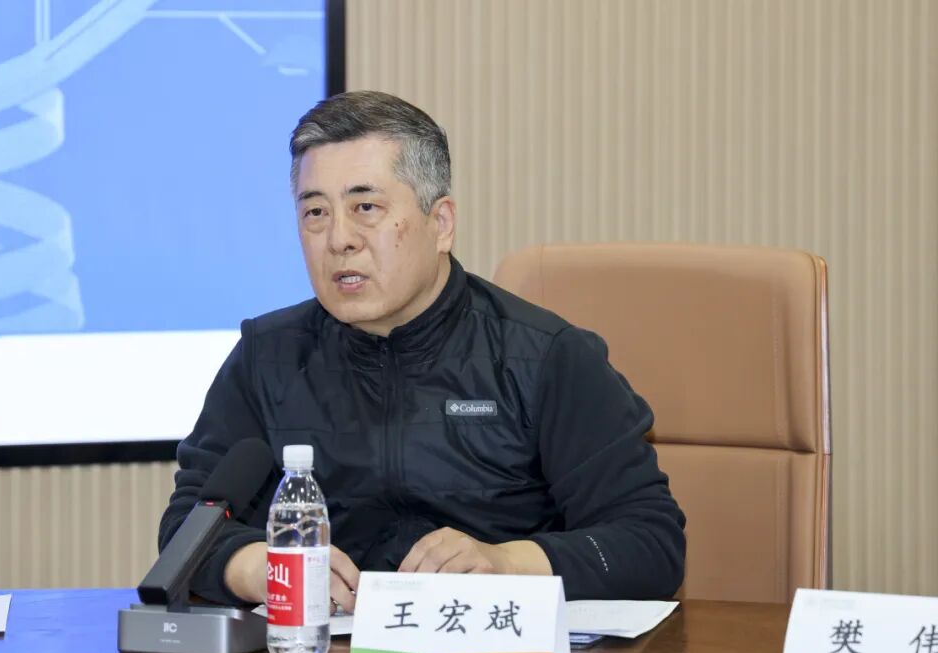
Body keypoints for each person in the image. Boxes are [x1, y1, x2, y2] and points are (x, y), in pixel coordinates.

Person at [158, 90, 685, 612]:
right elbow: (188, 529)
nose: (338, 238)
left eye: (366, 207)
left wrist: (507, 563)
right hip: (322, 652)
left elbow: (650, 543)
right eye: (315, 212)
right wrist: (263, 567)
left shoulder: (544, 358)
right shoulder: (267, 358)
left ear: (442, 224)